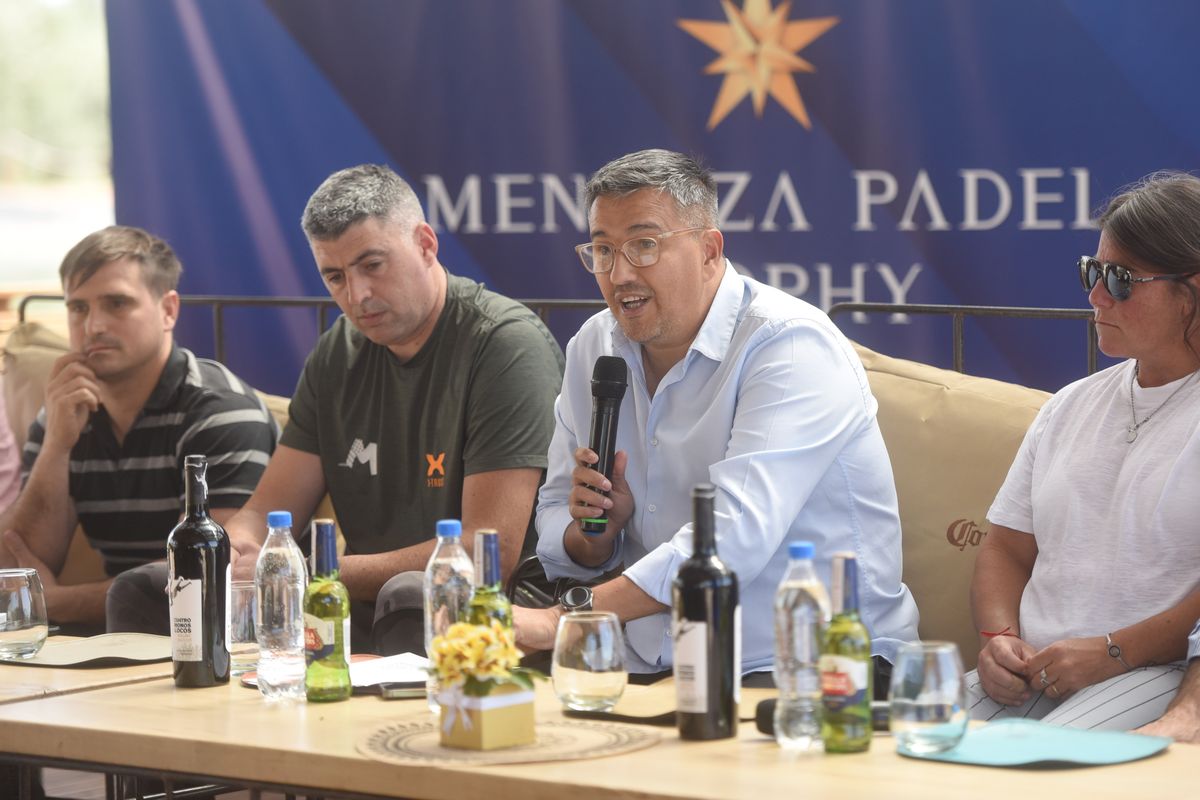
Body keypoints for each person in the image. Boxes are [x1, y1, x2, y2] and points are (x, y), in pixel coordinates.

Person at [513, 149, 919, 684]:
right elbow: (555, 513)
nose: (620, 274)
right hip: (648, 658)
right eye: (604, 250)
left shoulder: (788, 344)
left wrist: (568, 617)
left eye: (644, 245)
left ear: (709, 249)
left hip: (807, 664)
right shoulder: (595, 344)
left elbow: (732, 539)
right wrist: (593, 538)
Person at [153, 163, 562, 655]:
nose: (356, 295)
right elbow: (265, 510)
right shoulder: (337, 351)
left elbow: (484, 550)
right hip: (359, 598)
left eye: (373, 265)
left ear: (426, 244)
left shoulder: (505, 345)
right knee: (155, 587)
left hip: (494, 606)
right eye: (334, 276)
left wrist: (305, 570)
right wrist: (233, 549)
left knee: (412, 594)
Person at [969, 171, 1200, 730]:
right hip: (1035, 668)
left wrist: (1113, 650)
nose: (1096, 295)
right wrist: (1000, 639)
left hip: (1154, 670)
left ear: (1192, 288)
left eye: (1120, 279)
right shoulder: (1069, 404)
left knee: (1031, 774)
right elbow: (1004, 549)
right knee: (903, 749)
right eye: (1092, 272)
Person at [0, 226, 277, 630]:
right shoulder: (63, 413)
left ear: (168, 310)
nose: (93, 326)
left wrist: (62, 603)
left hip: (219, 640)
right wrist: (57, 446)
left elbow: (215, 575)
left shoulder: (220, 411)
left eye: (116, 303)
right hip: (114, 639)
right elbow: (14, 569)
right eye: (77, 308)